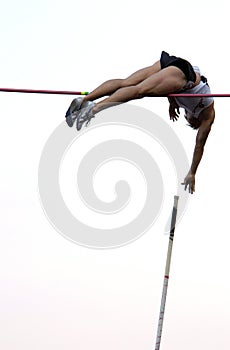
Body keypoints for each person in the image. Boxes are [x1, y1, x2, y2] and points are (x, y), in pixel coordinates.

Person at [65, 51, 215, 194]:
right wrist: (192, 172)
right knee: (139, 90)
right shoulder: (208, 115)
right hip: (182, 73)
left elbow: (169, 88)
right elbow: (199, 145)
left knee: (126, 83)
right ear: (194, 119)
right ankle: (93, 109)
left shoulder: (186, 102)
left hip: (174, 64)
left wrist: (171, 101)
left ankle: (84, 100)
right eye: (187, 118)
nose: (185, 115)